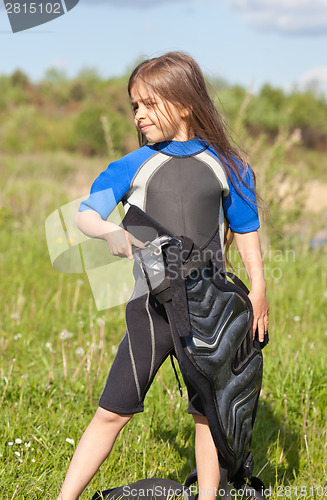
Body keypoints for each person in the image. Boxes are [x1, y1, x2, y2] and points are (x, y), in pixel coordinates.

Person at [56, 51, 269, 500]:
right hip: (151, 310)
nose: (139, 115)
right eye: (134, 105)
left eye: (149, 104)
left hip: (208, 310)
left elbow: (247, 231)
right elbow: (84, 214)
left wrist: (260, 289)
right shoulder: (135, 165)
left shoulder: (228, 166)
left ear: (185, 103)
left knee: (208, 412)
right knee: (112, 410)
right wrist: (110, 229)